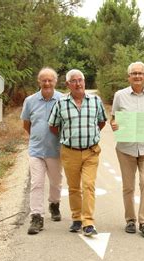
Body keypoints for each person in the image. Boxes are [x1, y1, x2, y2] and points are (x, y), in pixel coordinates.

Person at [48, 69, 107, 237]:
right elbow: (53, 126)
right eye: (73, 81)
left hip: (90, 152)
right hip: (70, 152)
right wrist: (68, 137)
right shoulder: (61, 103)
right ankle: (76, 218)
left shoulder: (95, 100)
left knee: (88, 185)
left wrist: (90, 136)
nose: (78, 83)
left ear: (84, 82)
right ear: (68, 85)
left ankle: (88, 222)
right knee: (74, 188)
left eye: (80, 80)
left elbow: (102, 122)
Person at [110, 61, 144, 239]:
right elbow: (113, 119)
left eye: (140, 73)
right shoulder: (120, 95)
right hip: (126, 148)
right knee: (128, 186)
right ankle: (130, 220)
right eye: (134, 73)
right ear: (129, 77)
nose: (137, 76)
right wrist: (114, 124)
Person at [21, 67, 63, 235]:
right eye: (43, 80)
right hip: (36, 150)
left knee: (56, 182)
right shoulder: (30, 101)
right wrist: (37, 137)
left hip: (56, 150)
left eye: (50, 80)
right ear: (39, 82)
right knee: (36, 183)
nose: (47, 83)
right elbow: (26, 124)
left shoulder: (63, 99)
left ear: (55, 82)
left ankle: (54, 204)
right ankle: (36, 216)